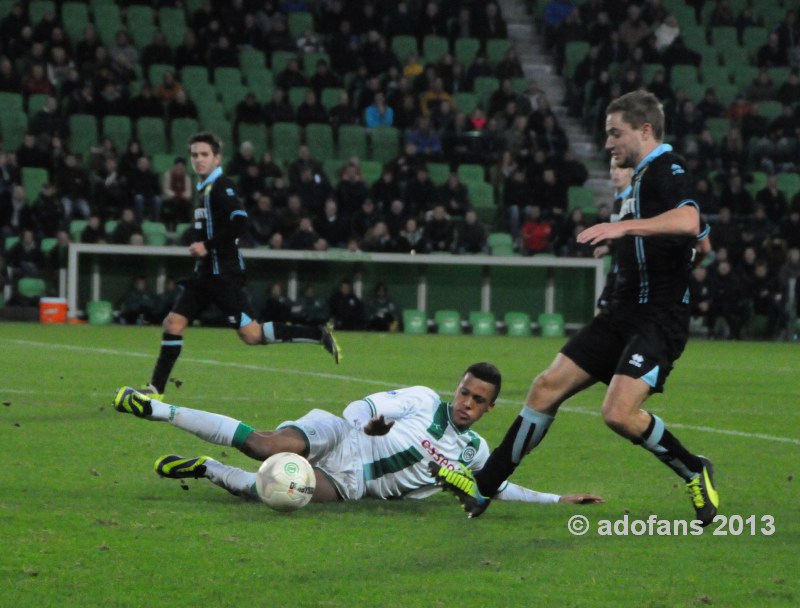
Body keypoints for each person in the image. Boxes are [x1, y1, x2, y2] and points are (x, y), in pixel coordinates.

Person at [431, 90, 719, 526]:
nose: (608, 143)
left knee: (617, 413)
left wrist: (624, 230)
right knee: (545, 387)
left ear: (644, 130)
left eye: (614, 133)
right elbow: (702, 242)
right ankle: (483, 488)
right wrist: (634, 242)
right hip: (621, 311)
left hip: (658, 317)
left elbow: (690, 223)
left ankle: (693, 469)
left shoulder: (666, 167)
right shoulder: (638, 179)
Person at [113, 362, 603, 506]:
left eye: (478, 400)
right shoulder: (420, 398)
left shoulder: (475, 449)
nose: (466, 404)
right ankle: (158, 408)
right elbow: (364, 406)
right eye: (464, 392)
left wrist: (558, 501)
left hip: (354, 485)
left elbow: (497, 486)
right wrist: (362, 422)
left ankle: (206, 468)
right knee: (266, 445)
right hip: (340, 437)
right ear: (456, 387)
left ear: (491, 408)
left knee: (284, 491)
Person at [139, 132, 341, 400]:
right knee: (173, 323)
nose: (198, 160)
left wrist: (207, 246)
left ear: (217, 158)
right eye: (194, 155)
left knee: (252, 335)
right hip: (205, 274)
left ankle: (317, 334)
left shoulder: (221, 186)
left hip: (224, 275)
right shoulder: (205, 190)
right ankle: (155, 390)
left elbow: (240, 222)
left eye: (204, 155)